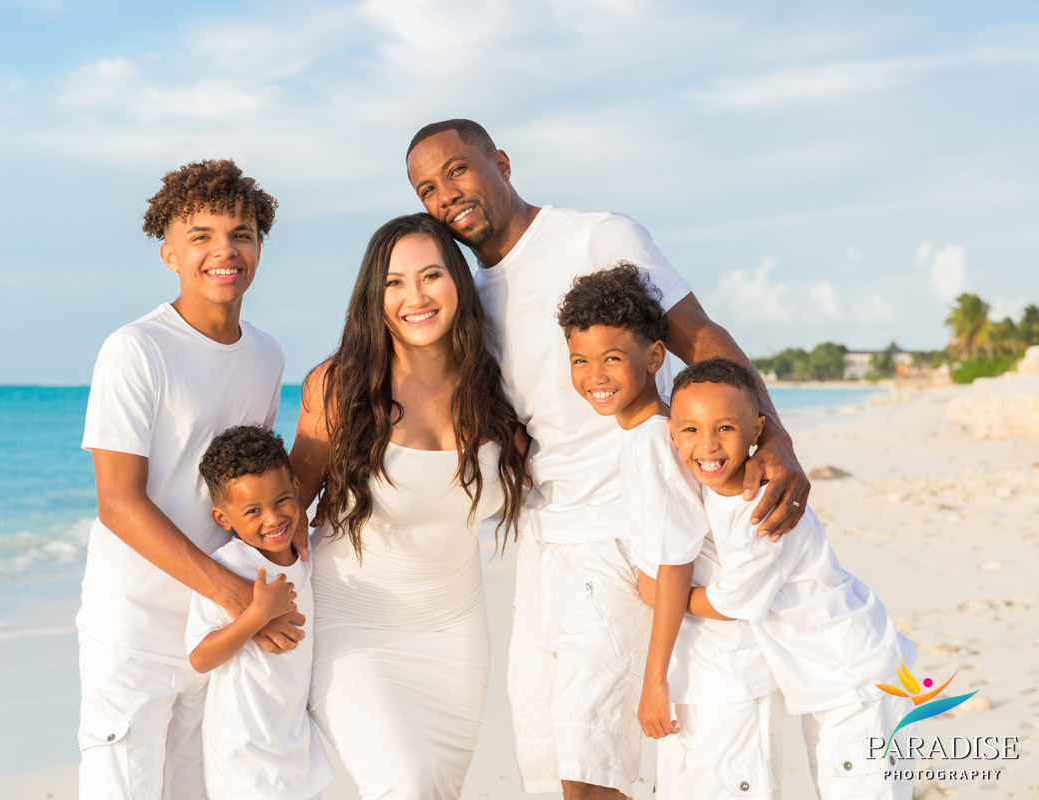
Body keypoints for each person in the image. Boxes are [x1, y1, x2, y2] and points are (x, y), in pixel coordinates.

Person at [405, 118, 809, 798]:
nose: (447, 195)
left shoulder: (597, 237)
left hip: (619, 534)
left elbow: (700, 337)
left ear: (500, 160)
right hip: (542, 539)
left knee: (589, 764)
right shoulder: (469, 297)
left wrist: (775, 438)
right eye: (427, 189)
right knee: (544, 751)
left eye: (458, 171)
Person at [78, 159, 301, 799]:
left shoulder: (267, 356)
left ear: (260, 245)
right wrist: (239, 599)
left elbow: (249, 497)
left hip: (215, 634)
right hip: (134, 631)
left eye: (242, 232)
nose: (223, 251)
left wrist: (284, 571)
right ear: (168, 252)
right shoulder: (135, 349)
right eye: (200, 235)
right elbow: (119, 504)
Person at [290, 213, 529, 799]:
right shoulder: (339, 385)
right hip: (353, 626)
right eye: (394, 282)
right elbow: (289, 508)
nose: (413, 297)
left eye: (430, 276)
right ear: (375, 294)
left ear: (459, 284)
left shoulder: (498, 386)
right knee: (405, 785)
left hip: (456, 632)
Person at [558, 266, 783, 799]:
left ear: (655, 357)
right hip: (706, 666)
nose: (596, 375)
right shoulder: (659, 433)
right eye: (580, 361)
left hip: (723, 670)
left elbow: (675, 565)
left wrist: (653, 681)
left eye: (612, 358)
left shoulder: (653, 446)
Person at [666, 357, 917, 800]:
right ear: (672, 434)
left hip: (855, 679)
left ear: (758, 431)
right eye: (690, 430)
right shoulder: (712, 493)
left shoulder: (763, 505)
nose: (707, 444)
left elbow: (733, 602)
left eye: (724, 428)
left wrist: (666, 595)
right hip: (827, 680)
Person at [187, 426, 332, 800]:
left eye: (282, 500)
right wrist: (256, 615)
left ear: (297, 490)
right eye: (253, 511)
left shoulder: (304, 555)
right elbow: (201, 658)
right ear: (223, 518)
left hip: (296, 745)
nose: (272, 519)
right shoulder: (230, 566)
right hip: (244, 754)